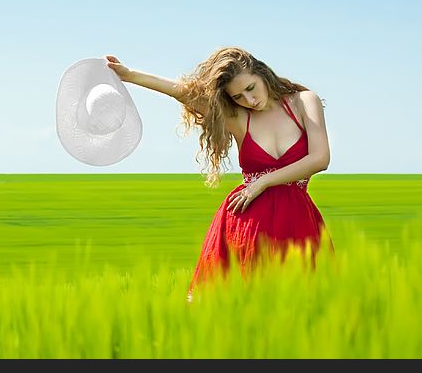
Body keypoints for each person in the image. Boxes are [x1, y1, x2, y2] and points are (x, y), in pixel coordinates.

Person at [105, 47, 334, 298]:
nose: (249, 100)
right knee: (241, 308)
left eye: (250, 88)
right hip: (246, 225)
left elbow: (320, 159)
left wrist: (263, 182)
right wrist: (129, 75)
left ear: (262, 73)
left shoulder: (303, 102)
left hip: (297, 222)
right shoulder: (236, 118)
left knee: (304, 303)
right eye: (237, 97)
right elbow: (181, 92)